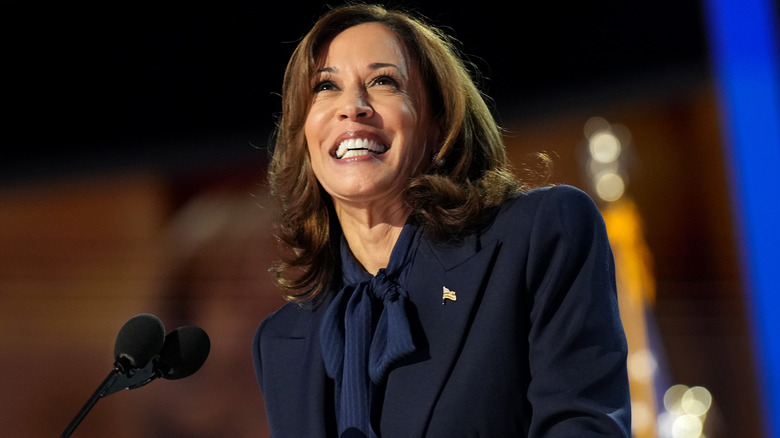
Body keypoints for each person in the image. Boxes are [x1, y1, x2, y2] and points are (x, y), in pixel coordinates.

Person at [252, 4, 631, 437]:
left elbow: (581, 425)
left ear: (439, 123)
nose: (352, 107)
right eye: (325, 86)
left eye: (383, 82)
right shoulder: (282, 341)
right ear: (302, 133)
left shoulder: (537, 235)